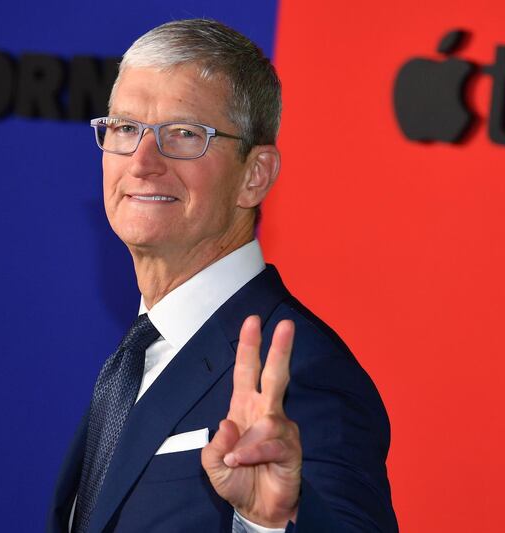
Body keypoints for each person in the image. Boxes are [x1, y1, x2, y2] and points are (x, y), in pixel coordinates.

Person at [48, 18, 398, 533]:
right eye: (125, 128)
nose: (142, 162)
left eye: (184, 134)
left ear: (254, 176)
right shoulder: (137, 352)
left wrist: (268, 525)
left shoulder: (305, 374)